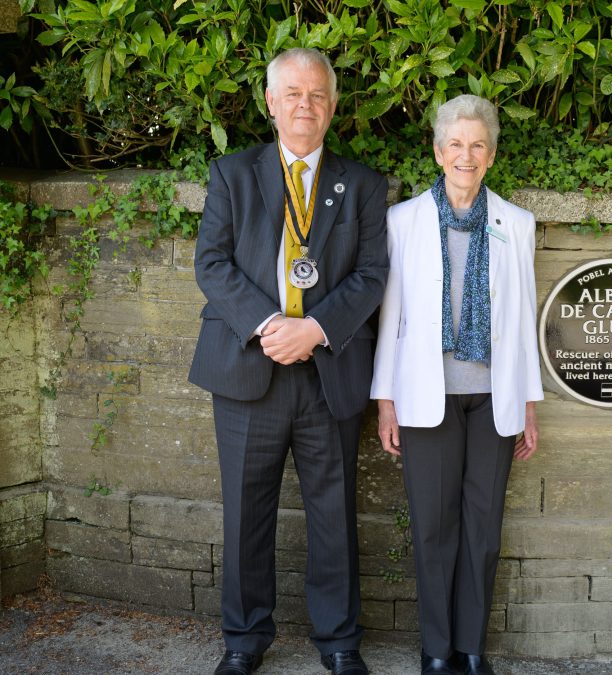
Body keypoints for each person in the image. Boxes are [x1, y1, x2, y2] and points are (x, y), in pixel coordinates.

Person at [189, 48, 388, 675]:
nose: (306, 105)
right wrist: (273, 325)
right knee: (246, 511)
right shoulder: (232, 175)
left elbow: (373, 273)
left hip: (328, 370)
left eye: (318, 95)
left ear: (332, 107)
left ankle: (338, 642)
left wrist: (317, 328)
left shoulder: (361, 184)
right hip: (251, 368)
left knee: (334, 514)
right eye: (293, 94)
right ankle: (244, 639)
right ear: (271, 103)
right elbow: (211, 264)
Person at [370, 94, 542, 675]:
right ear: (438, 151)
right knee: (434, 527)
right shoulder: (403, 221)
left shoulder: (515, 225)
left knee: (483, 528)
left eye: (477, 145)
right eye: (455, 144)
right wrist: (385, 401)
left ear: (489, 155)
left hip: (495, 397)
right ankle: (437, 650)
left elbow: (523, 319)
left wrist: (530, 405)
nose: (465, 155)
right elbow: (390, 318)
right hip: (427, 396)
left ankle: (471, 648)